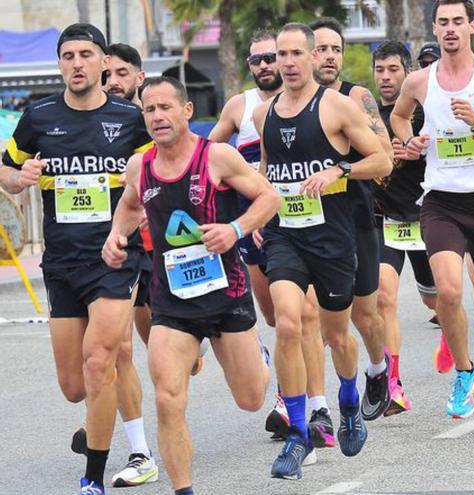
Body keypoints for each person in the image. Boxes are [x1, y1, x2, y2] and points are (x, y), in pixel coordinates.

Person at [102, 76, 276, 495]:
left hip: (227, 294)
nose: (158, 117)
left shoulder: (216, 156)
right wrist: (115, 236)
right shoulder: (139, 166)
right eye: (149, 110)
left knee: (251, 398)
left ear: (186, 111)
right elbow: (129, 205)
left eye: (165, 108)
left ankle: (258, 352)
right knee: (167, 397)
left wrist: (235, 229)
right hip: (172, 302)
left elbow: (269, 198)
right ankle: (184, 490)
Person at [0, 24, 154, 495]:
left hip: (115, 258)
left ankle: (94, 478)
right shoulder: (39, 116)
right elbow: (5, 172)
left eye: (86, 54)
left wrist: (134, 202)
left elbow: (155, 181)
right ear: (60, 63)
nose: (77, 63)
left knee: (101, 360)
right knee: (74, 385)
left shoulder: (130, 117)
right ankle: (99, 415)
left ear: (105, 62)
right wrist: (17, 175)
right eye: (68, 55)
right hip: (61, 262)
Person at [254, 22, 391, 478]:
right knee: (289, 324)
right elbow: (267, 170)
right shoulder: (264, 113)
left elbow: (382, 160)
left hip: (332, 238)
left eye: (296, 53)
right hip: (285, 235)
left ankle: (349, 398)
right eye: (281, 55)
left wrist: (339, 171)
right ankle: (297, 435)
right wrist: (259, 214)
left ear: (313, 57)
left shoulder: (336, 107)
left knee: (337, 336)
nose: (287, 63)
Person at [391, 0, 474, 429]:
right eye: (443, 22)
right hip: (440, 200)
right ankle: (465, 371)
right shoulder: (418, 80)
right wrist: (411, 141)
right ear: (433, 27)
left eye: (457, 22)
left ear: (472, 25)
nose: (450, 29)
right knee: (448, 293)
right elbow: (398, 117)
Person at [309, 17, 394, 421]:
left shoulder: (356, 97)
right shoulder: (286, 104)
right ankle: (312, 405)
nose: (329, 57)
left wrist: (340, 166)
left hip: (355, 216)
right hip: (304, 226)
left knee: (365, 313)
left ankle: (378, 369)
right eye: (322, 48)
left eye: (336, 49)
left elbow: (385, 159)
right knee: (305, 315)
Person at [99, 41, 160, 489]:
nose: (112, 82)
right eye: (107, 74)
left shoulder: (153, 119)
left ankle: (211, 336)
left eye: (121, 73)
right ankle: (129, 439)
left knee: (156, 341)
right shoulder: (90, 118)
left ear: (139, 77)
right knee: (120, 349)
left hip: (160, 248)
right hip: (115, 251)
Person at [371, 40, 436, 413]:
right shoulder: (367, 113)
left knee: (437, 300)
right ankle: (393, 385)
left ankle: (450, 335)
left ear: (408, 72)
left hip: (427, 216)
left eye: (393, 69)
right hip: (386, 219)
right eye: (379, 70)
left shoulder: (424, 109)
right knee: (384, 297)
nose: (385, 77)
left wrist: (419, 147)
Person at [209, 29, 283, 328]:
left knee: (301, 314)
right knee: (273, 317)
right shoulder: (240, 105)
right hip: (251, 213)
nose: (264, 65)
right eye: (257, 60)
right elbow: (207, 152)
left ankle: (299, 372)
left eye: (270, 58)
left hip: (295, 210)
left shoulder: (302, 99)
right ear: (249, 64)